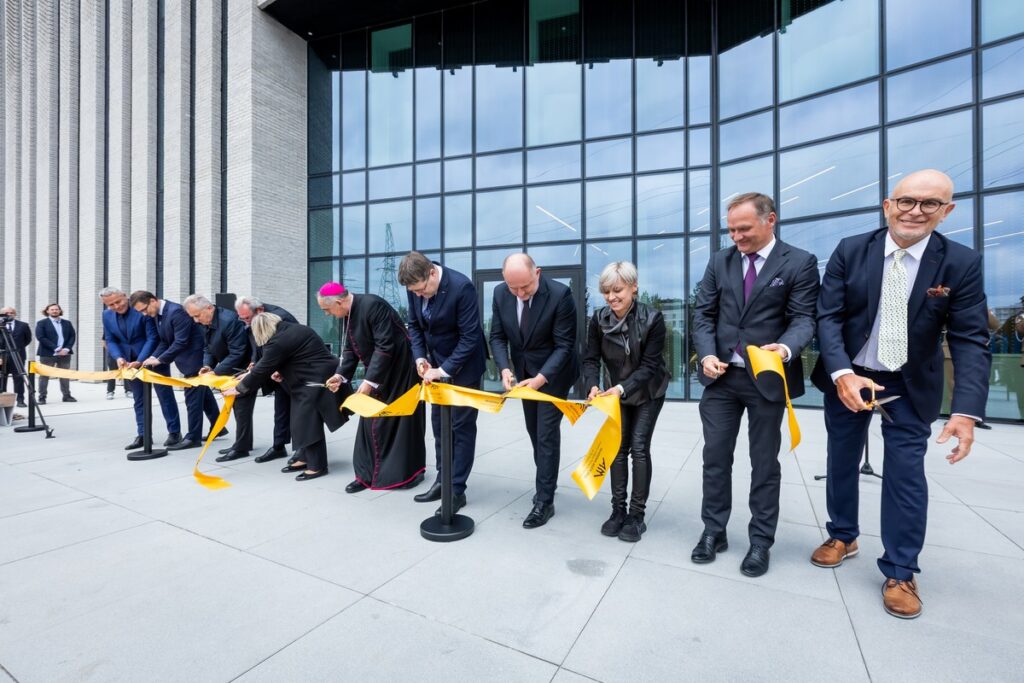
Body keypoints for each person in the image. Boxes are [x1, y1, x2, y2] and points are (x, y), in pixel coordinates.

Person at [810, 169, 991, 619]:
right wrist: (841, 374)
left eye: (930, 204)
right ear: (888, 205)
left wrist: (966, 410)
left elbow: (970, 339)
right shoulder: (852, 251)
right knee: (840, 459)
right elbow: (827, 318)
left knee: (906, 474)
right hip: (850, 376)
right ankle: (843, 534)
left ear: (946, 212)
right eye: (906, 201)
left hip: (909, 384)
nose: (915, 210)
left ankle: (901, 569)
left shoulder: (960, 263)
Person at [691, 192, 820, 577]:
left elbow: (804, 319)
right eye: (731, 229)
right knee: (715, 458)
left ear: (770, 220)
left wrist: (784, 348)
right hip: (721, 378)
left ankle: (761, 541)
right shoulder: (719, 261)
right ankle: (713, 531)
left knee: (764, 463)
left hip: (766, 377)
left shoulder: (799, 263)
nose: (736, 237)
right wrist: (707, 353)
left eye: (743, 228)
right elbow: (703, 314)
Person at [489, 254, 580, 529]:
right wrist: (505, 368)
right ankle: (547, 480)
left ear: (537, 273)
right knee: (533, 430)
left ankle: (545, 501)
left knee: (546, 433)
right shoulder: (500, 293)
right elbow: (497, 336)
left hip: (554, 374)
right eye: (513, 288)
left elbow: (565, 346)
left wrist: (541, 378)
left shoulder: (560, 295)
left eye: (525, 287)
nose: (519, 293)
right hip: (523, 373)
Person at [582, 262, 670, 542]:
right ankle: (617, 511)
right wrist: (592, 384)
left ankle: (636, 515)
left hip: (648, 390)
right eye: (606, 291)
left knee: (639, 448)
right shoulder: (597, 319)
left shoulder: (653, 319)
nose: (611, 297)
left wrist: (622, 388)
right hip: (615, 392)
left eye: (617, 290)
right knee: (618, 450)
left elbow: (648, 366)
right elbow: (590, 359)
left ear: (634, 287)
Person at [400, 251, 488, 515]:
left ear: (432, 273)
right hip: (434, 366)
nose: (418, 295)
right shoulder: (415, 288)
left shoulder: (461, 287)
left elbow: (470, 337)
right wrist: (420, 358)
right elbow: (414, 326)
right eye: (413, 292)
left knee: (461, 428)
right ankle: (442, 480)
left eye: (421, 289)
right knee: (439, 426)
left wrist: (444, 369)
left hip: (465, 369)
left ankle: (456, 490)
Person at [319, 282, 426, 492]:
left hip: (401, 373)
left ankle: (409, 474)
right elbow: (350, 350)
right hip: (378, 373)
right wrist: (340, 376)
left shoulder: (373, 305)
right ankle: (365, 475)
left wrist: (368, 382)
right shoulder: (347, 314)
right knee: (369, 423)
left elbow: (385, 346)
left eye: (327, 309)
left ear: (339, 302)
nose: (327, 314)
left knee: (402, 425)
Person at [222, 313, 350, 481]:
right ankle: (304, 457)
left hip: (317, 380)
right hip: (314, 376)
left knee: (307, 422)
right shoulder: (292, 329)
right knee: (299, 420)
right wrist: (280, 371)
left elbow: (263, 368)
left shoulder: (278, 341)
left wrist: (240, 388)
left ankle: (317, 466)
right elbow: (296, 357)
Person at [131, 291, 221, 451]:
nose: (145, 314)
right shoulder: (158, 315)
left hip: (195, 358)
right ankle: (218, 425)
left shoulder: (175, 312)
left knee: (192, 399)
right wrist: (153, 356)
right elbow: (165, 341)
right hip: (186, 359)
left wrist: (160, 360)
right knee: (203, 393)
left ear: (153, 300)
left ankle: (193, 438)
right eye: (141, 312)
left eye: (145, 309)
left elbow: (181, 341)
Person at [99, 288, 182, 450]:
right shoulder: (106, 316)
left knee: (165, 395)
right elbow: (110, 339)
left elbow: (153, 337)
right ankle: (143, 435)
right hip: (129, 363)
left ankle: (174, 432)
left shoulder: (141, 310)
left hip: (153, 358)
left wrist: (140, 360)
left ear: (125, 297)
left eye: (118, 301)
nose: (116, 306)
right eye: (110, 305)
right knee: (139, 399)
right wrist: (118, 357)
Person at [183, 294, 253, 461]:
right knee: (237, 408)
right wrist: (207, 366)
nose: (195, 320)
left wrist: (216, 371)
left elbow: (238, 352)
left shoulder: (229, 321)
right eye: (192, 316)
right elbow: (208, 348)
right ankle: (242, 443)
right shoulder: (206, 321)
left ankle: (241, 447)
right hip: (228, 369)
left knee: (242, 408)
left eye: (197, 315)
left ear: (209, 308)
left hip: (243, 369)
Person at [235, 296, 299, 464]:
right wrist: (255, 362)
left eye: (247, 318)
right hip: (275, 370)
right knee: (281, 410)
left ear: (260, 311)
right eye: (242, 319)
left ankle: (302, 450)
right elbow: (258, 342)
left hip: (293, 370)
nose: (246, 323)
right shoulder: (253, 319)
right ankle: (279, 447)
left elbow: (284, 348)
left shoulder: (281, 319)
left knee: (298, 412)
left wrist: (257, 370)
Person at [34, 304, 77, 404]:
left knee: (64, 375)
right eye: (52, 309)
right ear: (47, 311)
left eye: (56, 309)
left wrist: (66, 349)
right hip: (47, 353)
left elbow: (72, 336)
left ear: (60, 311)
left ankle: (66, 396)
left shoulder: (67, 323)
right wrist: (56, 349)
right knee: (44, 376)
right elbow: (41, 337)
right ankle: (42, 397)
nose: (54, 311)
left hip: (65, 354)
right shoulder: (42, 323)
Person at [0, 306, 32, 407]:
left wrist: (16, 348)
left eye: (11, 313)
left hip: (18, 355)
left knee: (18, 378)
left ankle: (20, 399)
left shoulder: (23, 325)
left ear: (15, 314)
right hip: (2, 355)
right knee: (2, 378)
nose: (9, 315)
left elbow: (28, 339)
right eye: (6, 313)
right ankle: (2, 399)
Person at [101, 331, 130, 399]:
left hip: (124, 353)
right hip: (112, 355)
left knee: (126, 371)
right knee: (112, 373)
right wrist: (111, 351)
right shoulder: (109, 326)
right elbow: (103, 341)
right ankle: (110, 392)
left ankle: (129, 390)